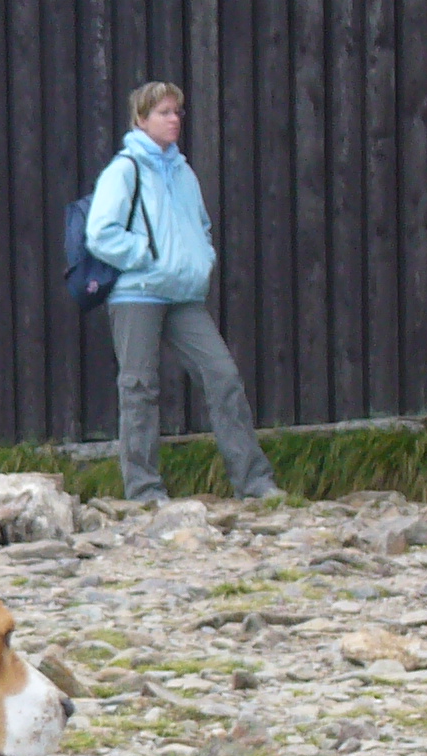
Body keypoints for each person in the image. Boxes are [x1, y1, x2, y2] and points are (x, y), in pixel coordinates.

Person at [84, 81, 280, 505]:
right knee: (139, 388)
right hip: (138, 294)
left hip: (183, 296)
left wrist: (200, 257)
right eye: (163, 113)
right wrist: (148, 255)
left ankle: (255, 483)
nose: (174, 120)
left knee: (223, 376)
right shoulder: (124, 170)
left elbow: (201, 226)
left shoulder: (183, 172)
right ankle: (144, 491)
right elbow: (100, 234)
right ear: (141, 119)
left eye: (177, 112)